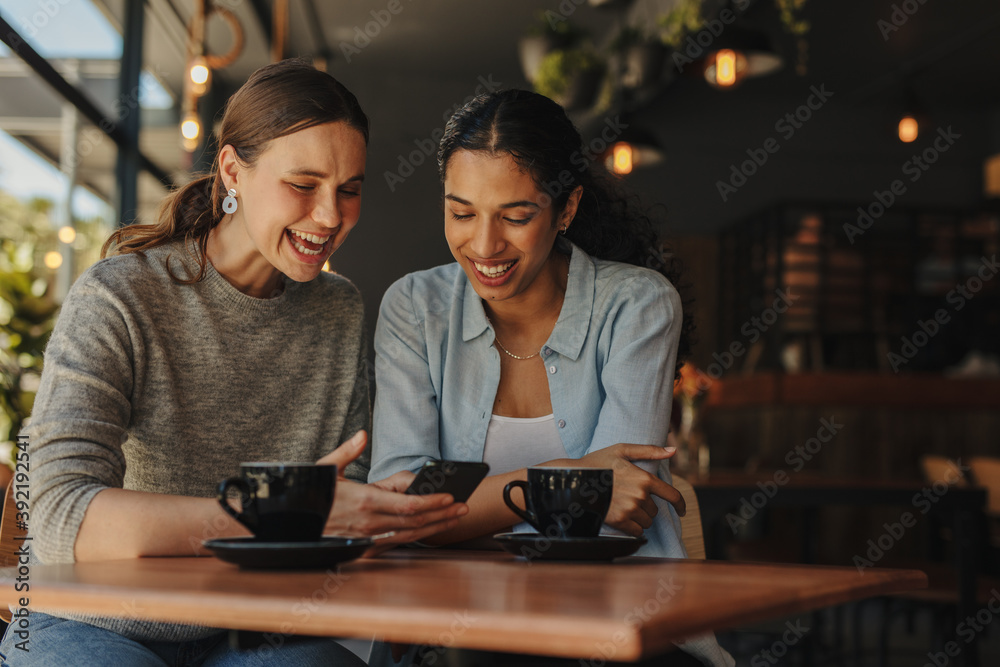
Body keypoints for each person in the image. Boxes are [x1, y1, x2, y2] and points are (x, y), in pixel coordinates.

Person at [0, 59, 466, 667]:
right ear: (231, 171)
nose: (330, 216)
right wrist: (274, 514)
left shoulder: (338, 310)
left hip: (255, 624)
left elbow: (333, 503)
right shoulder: (118, 296)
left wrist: (374, 509)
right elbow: (58, 516)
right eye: (303, 184)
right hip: (95, 620)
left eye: (349, 189)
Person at [368, 89, 733, 667]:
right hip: (453, 627)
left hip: (616, 624)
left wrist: (461, 515)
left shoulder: (636, 305)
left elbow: (617, 519)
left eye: (515, 216)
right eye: (461, 213)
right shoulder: (415, 308)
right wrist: (567, 478)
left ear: (566, 209)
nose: (483, 245)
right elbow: (396, 514)